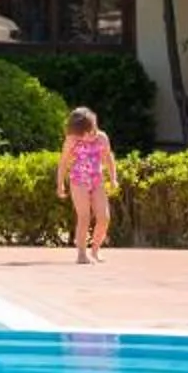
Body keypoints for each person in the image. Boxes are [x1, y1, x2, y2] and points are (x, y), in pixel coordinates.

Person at [58, 107, 118, 264]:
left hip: (96, 180)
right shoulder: (72, 140)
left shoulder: (102, 138)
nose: (91, 135)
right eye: (86, 134)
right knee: (84, 217)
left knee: (104, 218)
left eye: (93, 130)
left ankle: (95, 250)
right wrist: (60, 184)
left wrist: (113, 178)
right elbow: (63, 163)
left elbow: (108, 158)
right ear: (77, 133)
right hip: (78, 180)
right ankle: (81, 254)